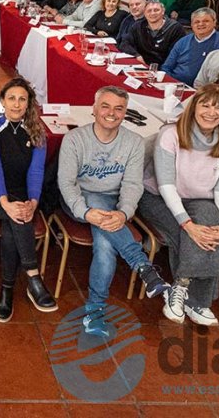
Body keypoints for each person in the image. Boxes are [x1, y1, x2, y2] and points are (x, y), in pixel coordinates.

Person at [58, 86, 169, 335]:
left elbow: (132, 184)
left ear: (125, 113)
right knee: (94, 197)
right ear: (94, 109)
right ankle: (142, 265)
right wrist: (86, 212)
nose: (111, 113)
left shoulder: (134, 142)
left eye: (119, 108)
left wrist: (124, 213)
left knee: (106, 245)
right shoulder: (74, 139)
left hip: (112, 207)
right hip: (76, 202)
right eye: (105, 106)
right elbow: (66, 184)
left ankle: (95, 313)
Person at [139, 84, 219, 326]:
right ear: (193, 107)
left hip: (200, 200)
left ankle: (181, 288)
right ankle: (199, 301)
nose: (211, 112)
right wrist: (187, 224)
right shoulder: (170, 134)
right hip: (157, 197)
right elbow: (166, 185)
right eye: (205, 105)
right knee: (193, 236)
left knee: (212, 231)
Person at [0, 78, 57, 321]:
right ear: (2, 101)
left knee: (16, 220)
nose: (17, 104)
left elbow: (36, 171)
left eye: (22, 99)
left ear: (29, 102)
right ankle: (33, 277)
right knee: (16, 217)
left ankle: (7, 289)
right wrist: (5, 203)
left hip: (19, 193)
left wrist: (33, 201)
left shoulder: (37, 130)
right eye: (11, 98)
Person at [161, 8, 219, 86]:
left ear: (214, 22)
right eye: (196, 22)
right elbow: (166, 67)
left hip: (201, 89)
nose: (200, 24)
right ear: (191, 25)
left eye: (205, 21)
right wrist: (170, 84)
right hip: (174, 84)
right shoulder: (183, 41)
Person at [118, 0, 186, 66]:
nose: (152, 13)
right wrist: (136, 55)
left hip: (163, 69)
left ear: (163, 11)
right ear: (144, 13)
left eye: (156, 10)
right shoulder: (138, 26)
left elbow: (176, 55)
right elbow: (124, 43)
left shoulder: (175, 28)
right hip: (141, 65)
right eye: (149, 11)